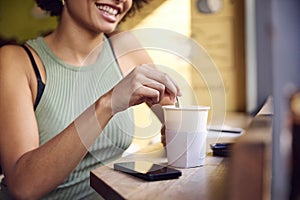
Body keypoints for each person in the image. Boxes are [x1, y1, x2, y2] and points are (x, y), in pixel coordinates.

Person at [0, 0, 181, 199]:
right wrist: (108, 104)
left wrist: (176, 129)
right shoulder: (16, 61)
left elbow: (175, 120)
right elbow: (24, 187)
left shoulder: (124, 46)